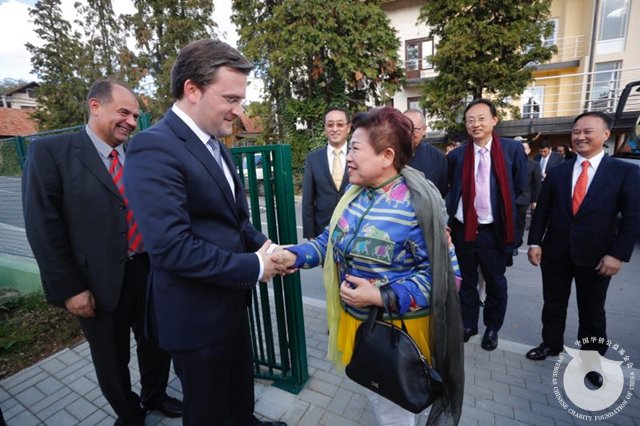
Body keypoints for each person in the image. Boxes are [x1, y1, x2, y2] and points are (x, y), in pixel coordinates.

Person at [122, 39, 286, 426]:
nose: (239, 111)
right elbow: (171, 248)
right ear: (192, 89)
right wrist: (254, 267)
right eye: (231, 98)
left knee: (238, 394)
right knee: (208, 411)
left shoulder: (216, 146)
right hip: (195, 318)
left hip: (230, 306)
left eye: (241, 100)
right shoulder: (153, 147)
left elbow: (234, 221)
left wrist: (265, 246)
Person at [277, 107, 464, 426]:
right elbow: (330, 241)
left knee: (394, 413)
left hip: (397, 335)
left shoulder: (418, 207)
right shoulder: (356, 196)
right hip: (360, 326)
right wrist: (294, 255)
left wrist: (381, 297)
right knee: (379, 400)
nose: (348, 156)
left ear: (387, 155)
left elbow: (448, 280)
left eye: (356, 149)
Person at [22, 79, 181, 425]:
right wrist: (70, 288)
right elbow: (42, 226)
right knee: (111, 357)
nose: (132, 121)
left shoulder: (139, 154)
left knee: (157, 342)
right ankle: (130, 415)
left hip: (149, 270)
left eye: (135, 115)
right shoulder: (50, 153)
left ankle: (155, 395)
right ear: (95, 106)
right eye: (124, 112)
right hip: (95, 281)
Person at [526, 112, 640, 386]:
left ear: (605, 135)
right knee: (553, 303)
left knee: (592, 310)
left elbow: (633, 218)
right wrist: (535, 242)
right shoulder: (559, 172)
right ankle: (550, 343)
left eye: (588, 131)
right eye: (576, 132)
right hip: (556, 252)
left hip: (598, 256)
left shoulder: (624, 172)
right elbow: (543, 211)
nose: (580, 137)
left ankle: (591, 361)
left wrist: (617, 254)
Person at [446, 98, 527, 351]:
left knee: (495, 282)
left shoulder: (512, 150)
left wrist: (509, 222)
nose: (476, 124)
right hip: (464, 229)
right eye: (470, 120)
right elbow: (451, 192)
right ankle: (469, 324)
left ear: (494, 120)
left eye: (481, 118)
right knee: (466, 281)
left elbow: (521, 190)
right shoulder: (457, 155)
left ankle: (492, 328)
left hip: (494, 230)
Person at [302, 108, 350, 239]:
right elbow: (308, 200)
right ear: (325, 128)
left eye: (340, 124)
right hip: (323, 231)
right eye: (330, 125)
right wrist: (310, 235)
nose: (335, 129)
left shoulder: (359, 155)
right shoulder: (313, 158)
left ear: (348, 128)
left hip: (354, 229)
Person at [404, 109, 448, 197]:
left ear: (424, 130)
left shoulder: (437, 157)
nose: (409, 133)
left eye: (414, 129)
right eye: (404, 128)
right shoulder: (388, 155)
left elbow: (442, 192)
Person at [514, 141, 542, 256]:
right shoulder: (511, 162)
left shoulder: (534, 164)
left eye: (525, 148)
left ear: (529, 150)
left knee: (520, 222)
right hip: (511, 197)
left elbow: (537, 184)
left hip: (525, 197)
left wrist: (535, 200)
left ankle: (516, 244)